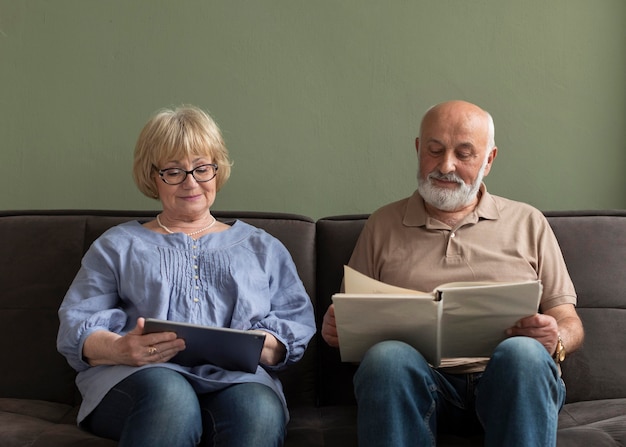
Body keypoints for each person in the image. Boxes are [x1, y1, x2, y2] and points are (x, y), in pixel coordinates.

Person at [321, 100, 584, 447]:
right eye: (434, 150)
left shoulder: (528, 222)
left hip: (511, 382)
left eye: (464, 154)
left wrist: (557, 339)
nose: (446, 166)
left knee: (524, 355)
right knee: (386, 358)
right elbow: (350, 320)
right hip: (421, 384)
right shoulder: (382, 224)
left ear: (488, 160)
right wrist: (337, 328)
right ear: (418, 149)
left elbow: (569, 320)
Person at [57, 105, 316, 447]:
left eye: (201, 168)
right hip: (139, 377)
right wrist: (121, 349)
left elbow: (293, 325)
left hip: (238, 381)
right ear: (153, 176)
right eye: (174, 171)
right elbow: (77, 326)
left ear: (217, 170)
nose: (191, 182)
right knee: (171, 398)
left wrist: (261, 348)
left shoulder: (262, 247)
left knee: (256, 411)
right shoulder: (117, 245)